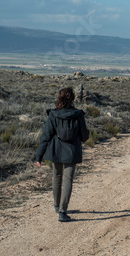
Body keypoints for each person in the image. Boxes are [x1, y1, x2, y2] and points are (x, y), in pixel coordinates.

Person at [36, 87, 90, 222]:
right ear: (72, 98)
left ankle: (56, 205)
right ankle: (62, 211)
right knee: (67, 181)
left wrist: (39, 156)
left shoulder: (53, 115)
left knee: (57, 178)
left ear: (59, 98)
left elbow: (45, 136)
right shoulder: (78, 115)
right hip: (71, 153)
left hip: (56, 151)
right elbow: (84, 136)